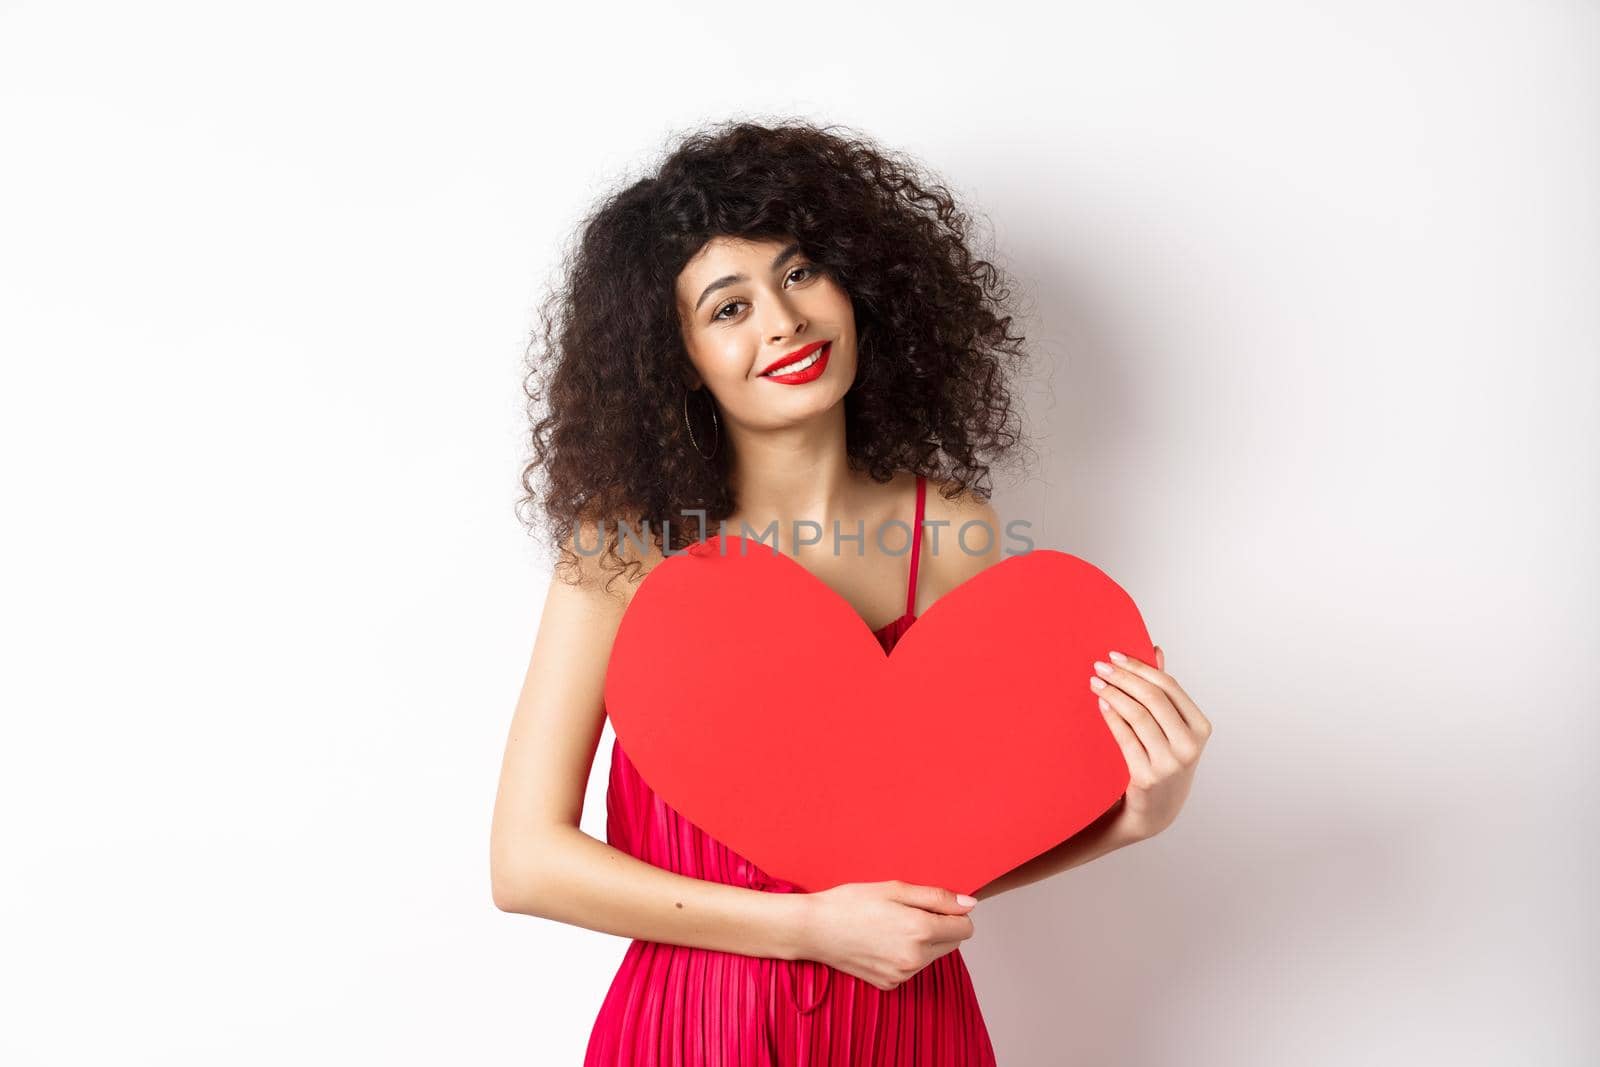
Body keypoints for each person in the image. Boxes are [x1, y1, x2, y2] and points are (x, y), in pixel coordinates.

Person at [490, 118, 1214, 1065]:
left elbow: (959, 851)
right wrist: (805, 929)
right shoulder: (626, 552)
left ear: (860, 284)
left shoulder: (952, 533)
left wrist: (1136, 816)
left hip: (910, 1027)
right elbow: (525, 861)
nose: (783, 321)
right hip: (694, 1030)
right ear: (679, 361)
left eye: (799, 274)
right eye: (727, 307)